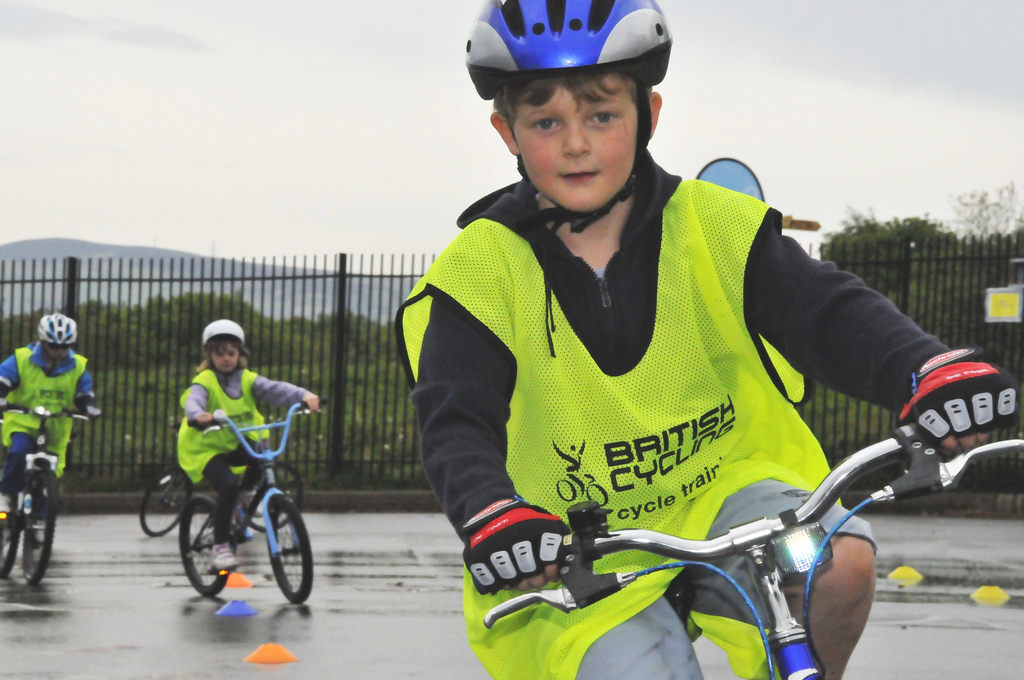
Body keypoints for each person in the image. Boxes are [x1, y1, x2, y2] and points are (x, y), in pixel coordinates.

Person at [394, 2, 1022, 679]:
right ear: (506, 131)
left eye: (602, 115)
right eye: (546, 122)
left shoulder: (714, 225)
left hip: (733, 494)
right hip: (570, 543)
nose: (576, 143)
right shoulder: (477, 273)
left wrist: (926, 369)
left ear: (649, 115)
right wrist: (494, 513)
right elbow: (456, 420)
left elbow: (830, 312)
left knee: (839, 566)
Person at [177, 319, 320, 571]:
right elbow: (193, 400)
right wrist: (198, 415)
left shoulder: (246, 379)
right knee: (228, 487)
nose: (226, 358)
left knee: (263, 460)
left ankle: (240, 502)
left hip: (233, 442)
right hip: (204, 448)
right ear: (209, 355)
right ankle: (220, 549)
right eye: (219, 353)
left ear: (240, 354)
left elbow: (275, 389)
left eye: (231, 352)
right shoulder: (206, 380)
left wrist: (303, 395)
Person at [0, 313, 101, 514]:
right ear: (43, 341)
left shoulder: (78, 365)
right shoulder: (22, 359)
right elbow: (3, 379)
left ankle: (40, 522)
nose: (59, 352)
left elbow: (84, 392)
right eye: (54, 346)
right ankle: (5, 494)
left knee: (48, 474)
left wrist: (89, 406)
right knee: (19, 451)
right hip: (24, 421)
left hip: (55, 426)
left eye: (65, 347)